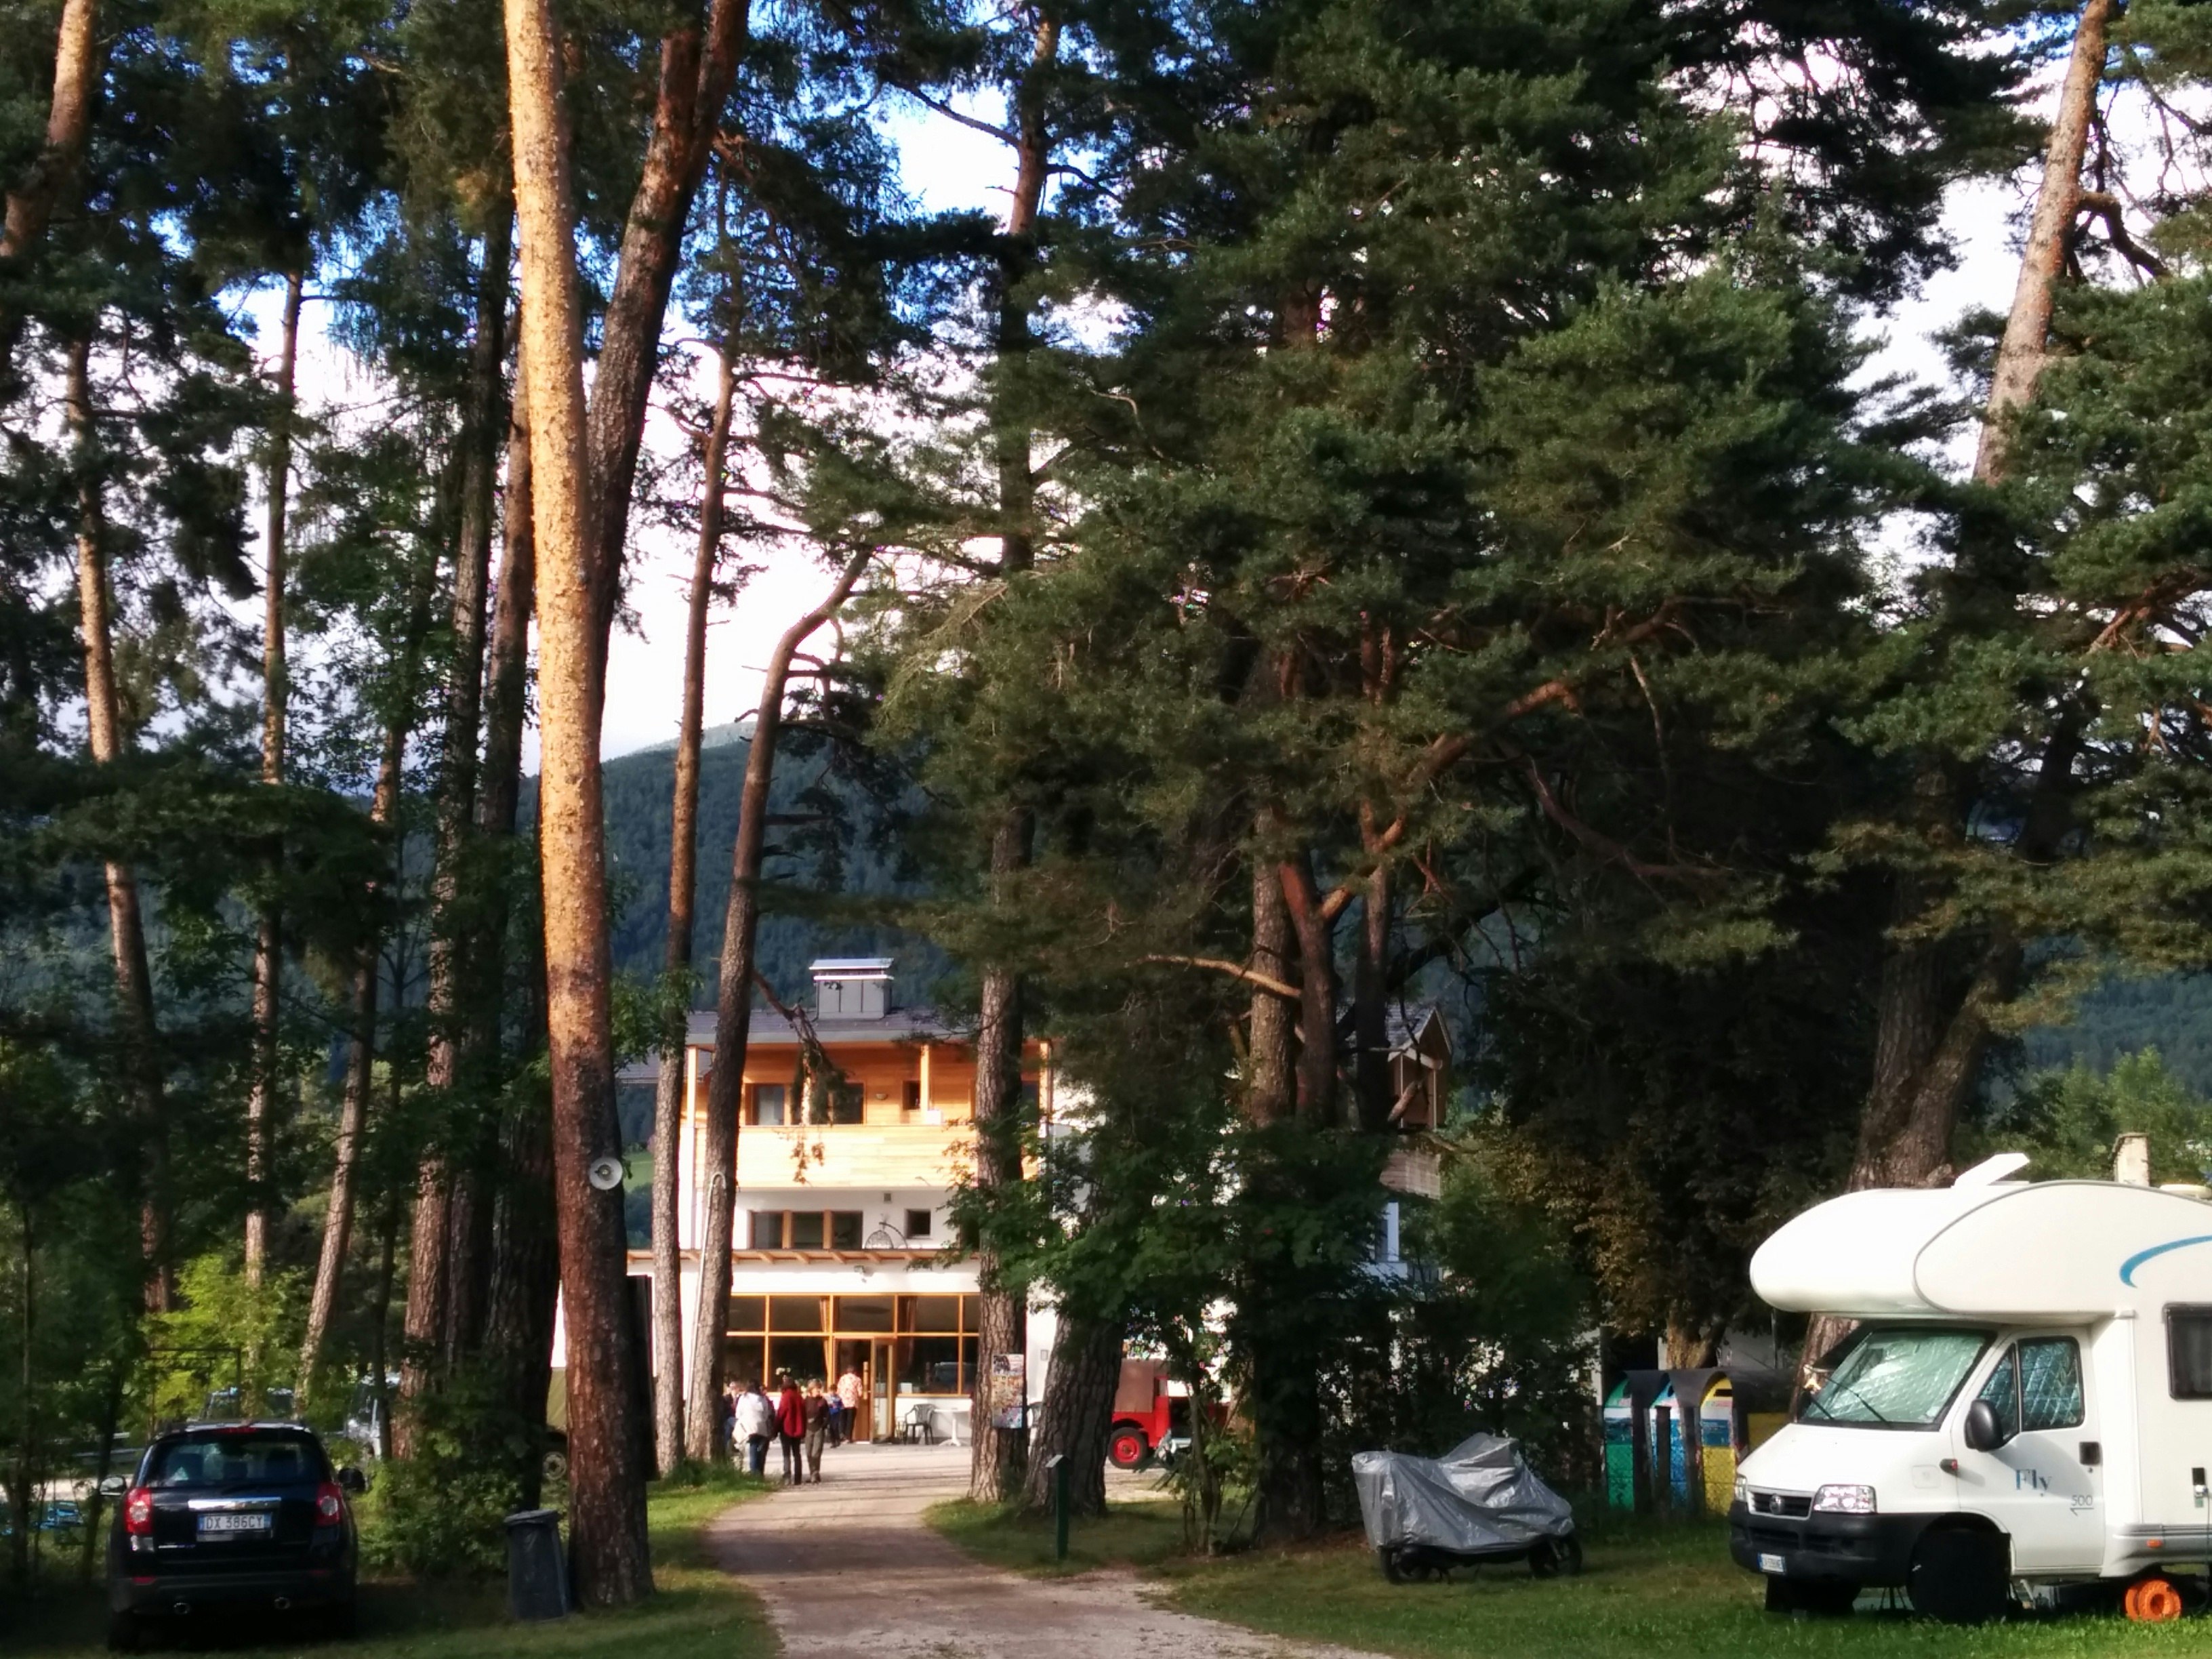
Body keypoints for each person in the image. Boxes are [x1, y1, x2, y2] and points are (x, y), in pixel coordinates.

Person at [735, 1379, 774, 1478]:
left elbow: (738, 1413)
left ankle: (754, 1472)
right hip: (761, 1426)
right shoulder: (762, 1399)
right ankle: (760, 1472)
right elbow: (766, 1414)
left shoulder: (744, 1398)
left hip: (749, 1427)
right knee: (760, 1448)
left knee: (753, 1448)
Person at [775, 1372, 806, 1486]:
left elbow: (781, 1413)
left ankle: (787, 1476)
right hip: (798, 1428)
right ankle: (798, 1478)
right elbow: (804, 1414)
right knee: (797, 1453)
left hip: (786, 1429)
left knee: (786, 1453)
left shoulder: (786, 1397)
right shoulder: (799, 1397)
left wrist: (775, 1429)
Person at [802, 1380, 830, 1482]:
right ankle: (813, 1473)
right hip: (808, 1429)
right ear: (811, 1390)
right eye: (817, 1389)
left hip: (819, 1429)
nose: (819, 1391)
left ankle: (815, 1474)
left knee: (816, 1453)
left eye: (820, 1389)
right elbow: (802, 1415)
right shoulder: (806, 1401)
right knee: (809, 1453)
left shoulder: (822, 1401)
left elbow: (827, 1416)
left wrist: (823, 1426)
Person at [837, 1365, 863, 1443]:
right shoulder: (857, 1379)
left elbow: (838, 1390)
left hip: (842, 1402)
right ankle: (849, 1437)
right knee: (850, 1420)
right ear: (855, 1372)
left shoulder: (842, 1379)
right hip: (852, 1402)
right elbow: (860, 1393)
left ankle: (842, 1434)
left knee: (842, 1419)